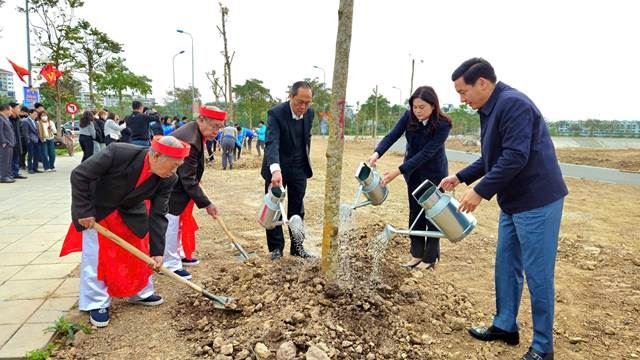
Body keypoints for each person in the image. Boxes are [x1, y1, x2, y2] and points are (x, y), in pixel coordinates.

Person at [439, 58, 568, 360]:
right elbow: (491, 157)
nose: (461, 99)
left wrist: (479, 192)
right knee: (506, 265)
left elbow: (514, 157)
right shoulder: (490, 108)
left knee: (538, 274)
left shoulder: (513, 105)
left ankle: (542, 347)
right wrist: (460, 177)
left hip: (538, 200)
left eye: (463, 91)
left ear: (482, 82)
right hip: (512, 201)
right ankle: (505, 325)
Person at [60, 136, 189, 328]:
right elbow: (80, 175)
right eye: (174, 164)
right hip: (97, 211)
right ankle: (97, 302)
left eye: (179, 166)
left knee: (139, 251)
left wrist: (157, 251)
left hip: (130, 211)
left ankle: (140, 292)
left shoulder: (168, 179)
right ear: (157, 155)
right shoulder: (119, 153)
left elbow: (158, 214)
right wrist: (84, 211)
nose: (174, 170)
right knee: (97, 257)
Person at [368, 86, 451, 270]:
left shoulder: (443, 124)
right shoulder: (409, 117)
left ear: (433, 106)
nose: (418, 111)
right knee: (415, 212)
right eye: (415, 107)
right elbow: (392, 135)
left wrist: (398, 170)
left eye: (422, 107)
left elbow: (427, 153)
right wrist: (377, 153)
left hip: (434, 173)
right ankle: (416, 254)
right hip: (413, 173)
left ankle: (430, 258)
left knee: (432, 214)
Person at [163, 106, 226, 278]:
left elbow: (190, 174)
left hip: (175, 184)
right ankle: (170, 263)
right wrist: (206, 203)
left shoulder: (196, 132)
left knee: (177, 223)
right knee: (170, 223)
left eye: (220, 127)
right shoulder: (190, 139)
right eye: (214, 126)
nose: (217, 131)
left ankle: (177, 255)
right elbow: (187, 179)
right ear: (201, 119)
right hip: (168, 186)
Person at [261, 81, 316, 260]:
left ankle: (297, 247)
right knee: (274, 207)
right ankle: (276, 248)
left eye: (308, 103)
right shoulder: (276, 113)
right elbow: (272, 142)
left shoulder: (310, 114)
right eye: (300, 102)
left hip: (299, 167)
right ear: (291, 96)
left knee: (297, 208)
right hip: (278, 167)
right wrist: (275, 170)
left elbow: (305, 140)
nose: (303, 107)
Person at [8, 103, 27, 179]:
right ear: (12, 109)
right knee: (11, 159)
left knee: (17, 158)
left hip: (18, 141)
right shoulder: (8, 119)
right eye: (18, 108)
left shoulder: (18, 119)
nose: (19, 110)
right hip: (10, 141)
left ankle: (16, 173)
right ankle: (10, 173)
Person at [21, 108, 43, 173]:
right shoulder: (25, 121)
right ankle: (30, 169)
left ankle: (35, 168)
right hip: (30, 141)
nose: (36, 115)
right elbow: (25, 132)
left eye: (37, 114)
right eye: (35, 114)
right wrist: (28, 140)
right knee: (30, 155)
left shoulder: (35, 122)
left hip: (37, 140)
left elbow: (37, 132)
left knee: (37, 155)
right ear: (30, 113)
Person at [0, 104, 16, 183]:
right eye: (10, 110)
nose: (11, 112)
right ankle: (3, 177)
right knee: (4, 161)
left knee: (8, 160)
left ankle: (8, 175)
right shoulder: (0, 118)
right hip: (5, 144)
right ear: (5, 110)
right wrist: (3, 142)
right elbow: (0, 131)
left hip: (9, 143)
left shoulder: (5, 118)